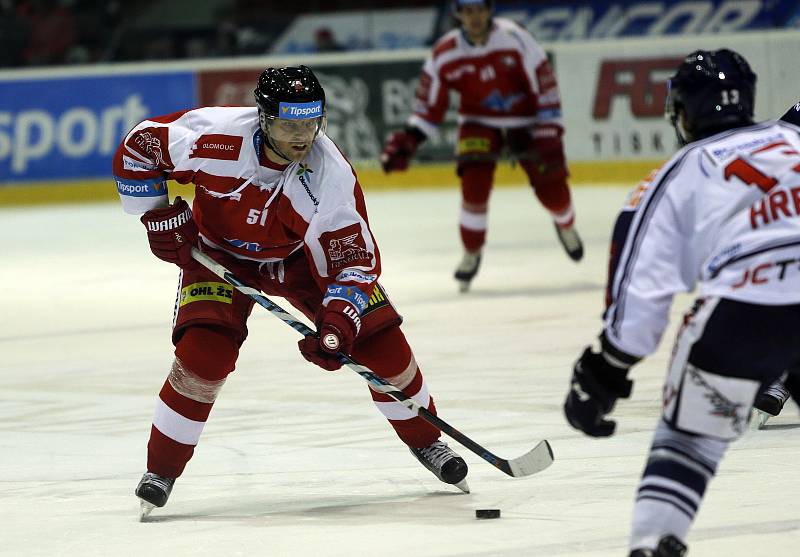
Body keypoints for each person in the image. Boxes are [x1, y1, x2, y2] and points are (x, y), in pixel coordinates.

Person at [112, 65, 469, 517]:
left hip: (301, 262)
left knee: (383, 346)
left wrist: (339, 321)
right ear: (263, 117)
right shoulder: (214, 137)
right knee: (204, 356)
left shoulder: (329, 177)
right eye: (289, 124)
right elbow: (136, 148)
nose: (302, 137)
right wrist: (157, 215)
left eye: (310, 122)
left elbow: (355, 266)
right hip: (218, 257)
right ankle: (161, 469)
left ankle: (427, 441)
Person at [562, 49, 800, 556]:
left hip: (746, 312)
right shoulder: (794, 138)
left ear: (685, 112)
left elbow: (642, 303)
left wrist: (605, 372)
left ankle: (653, 541)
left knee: (688, 443)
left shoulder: (678, 170)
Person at [380, 0, 583, 292]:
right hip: (478, 122)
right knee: (474, 187)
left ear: (489, 10)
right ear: (459, 14)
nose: (474, 17)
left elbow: (544, 81)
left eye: (479, 10)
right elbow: (428, 107)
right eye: (468, 11)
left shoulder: (514, 38)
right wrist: (409, 140)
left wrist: (549, 129)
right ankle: (472, 250)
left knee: (552, 187)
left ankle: (565, 223)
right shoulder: (444, 53)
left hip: (525, 120)